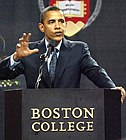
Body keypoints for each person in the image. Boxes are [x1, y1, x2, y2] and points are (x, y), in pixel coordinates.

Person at [0, 6, 125, 102]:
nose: (58, 26)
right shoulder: (30, 51)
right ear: (41, 27)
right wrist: (16, 58)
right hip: (35, 117)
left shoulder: (78, 49)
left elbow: (95, 71)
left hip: (68, 116)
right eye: (51, 22)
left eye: (61, 21)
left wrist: (112, 89)